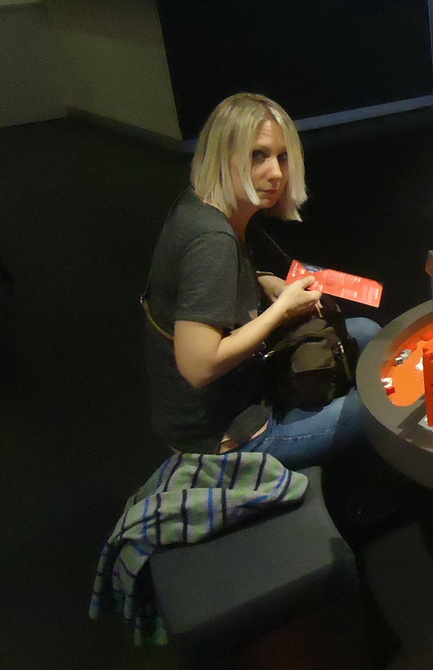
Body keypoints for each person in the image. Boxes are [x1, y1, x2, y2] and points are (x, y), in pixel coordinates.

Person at [143, 93, 380, 471]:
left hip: (244, 387)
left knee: (368, 333)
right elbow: (197, 366)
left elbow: (202, 288)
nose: (276, 173)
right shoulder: (212, 241)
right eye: (258, 156)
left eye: (282, 157)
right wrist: (282, 310)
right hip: (225, 437)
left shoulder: (200, 206)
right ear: (224, 155)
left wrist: (262, 281)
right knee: (388, 405)